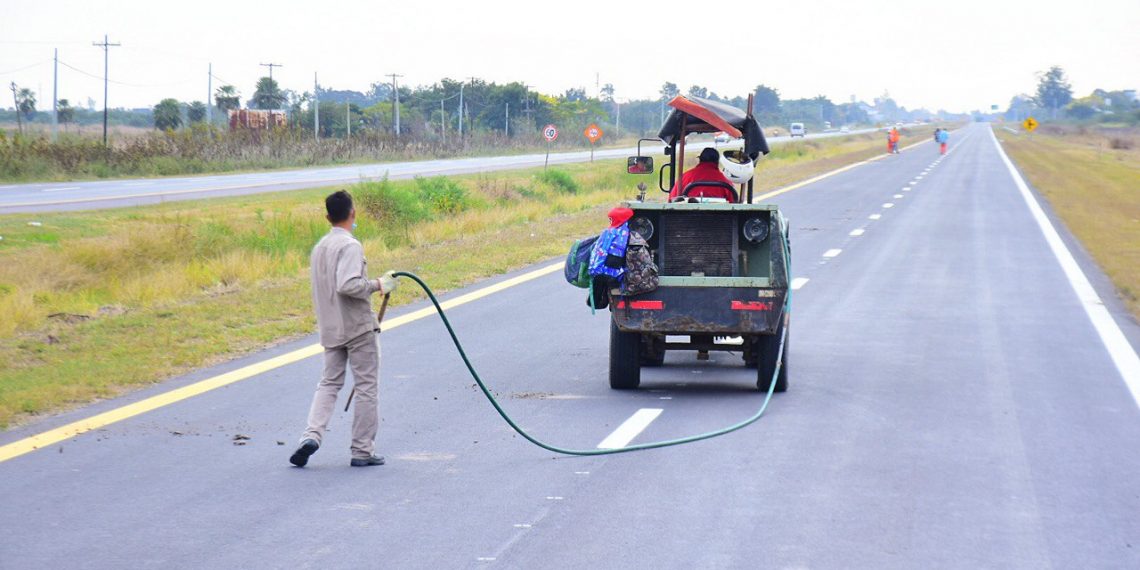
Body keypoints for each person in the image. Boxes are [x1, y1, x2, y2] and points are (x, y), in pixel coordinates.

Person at [290, 190, 398, 468]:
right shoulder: (350, 246)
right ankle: (362, 450)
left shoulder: (319, 248)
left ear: (328, 217)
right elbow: (348, 284)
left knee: (328, 383)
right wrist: (377, 284)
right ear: (353, 214)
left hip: (330, 328)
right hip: (357, 328)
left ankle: (311, 436)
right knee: (366, 387)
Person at [668, 147, 737, 202]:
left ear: (700, 159)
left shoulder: (685, 177)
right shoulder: (725, 181)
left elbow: (672, 200)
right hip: (718, 218)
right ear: (717, 162)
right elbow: (733, 203)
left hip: (687, 218)